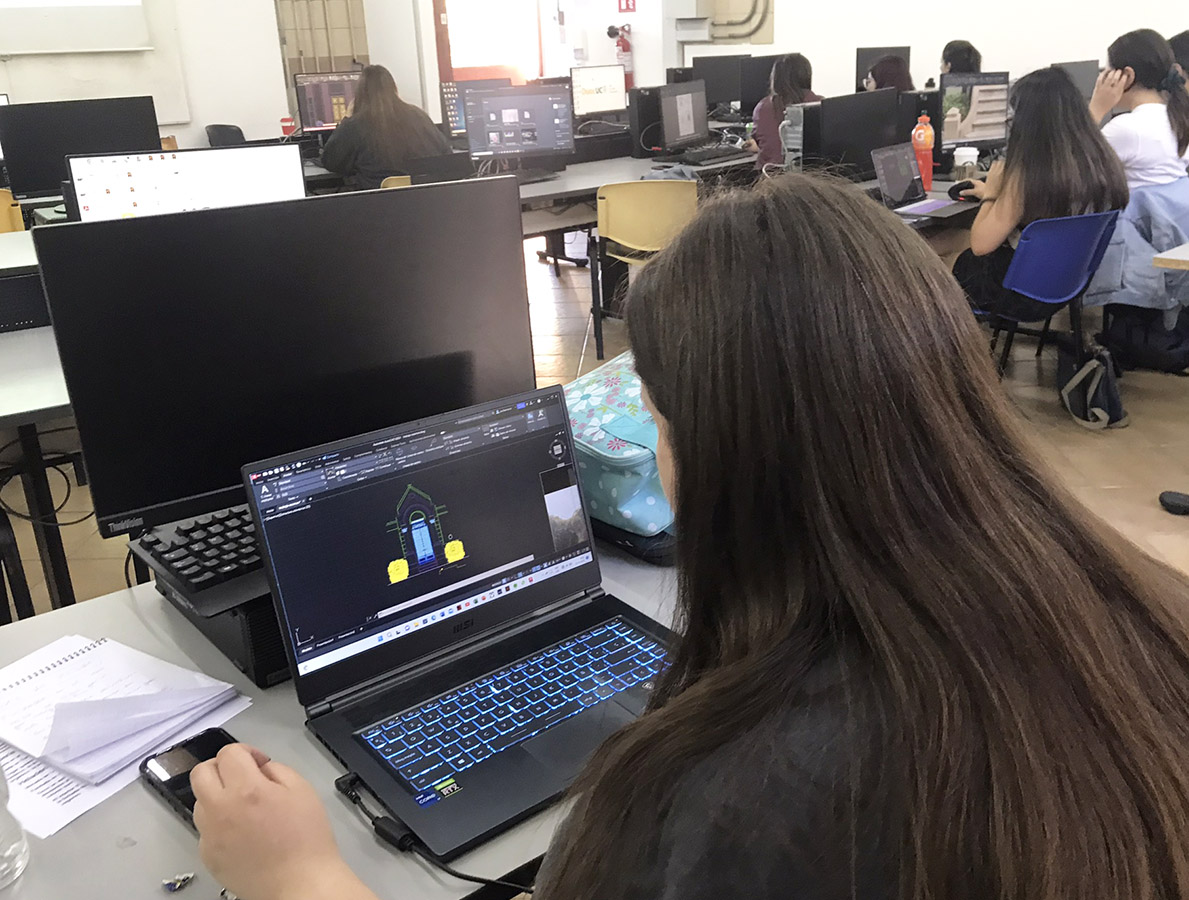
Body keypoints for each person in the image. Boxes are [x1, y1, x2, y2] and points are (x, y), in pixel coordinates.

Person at [190, 174, 1189, 900]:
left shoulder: (726, 798)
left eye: (657, 419)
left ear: (722, 450)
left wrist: (299, 879)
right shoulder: (1145, 609)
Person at [954, 67, 1129, 316]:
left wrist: (993, 193)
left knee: (941, 247)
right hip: (1066, 285)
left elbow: (981, 245)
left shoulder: (1028, 172)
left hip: (1017, 293)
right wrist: (1001, 197)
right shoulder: (1100, 160)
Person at [321, 64, 451, 190]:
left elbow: (331, 162)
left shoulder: (355, 125)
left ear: (360, 94)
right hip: (427, 202)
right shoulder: (419, 115)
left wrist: (346, 119)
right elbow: (446, 152)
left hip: (379, 205)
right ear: (394, 89)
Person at [1090, 29, 1189, 191]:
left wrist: (1096, 109)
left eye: (1108, 70)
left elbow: (1074, 167)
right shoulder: (1179, 118)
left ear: (1127, 75)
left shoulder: (1127, 128)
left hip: (1138, 216)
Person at [748, 53, 822, 168]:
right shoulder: (819, 105)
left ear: (775, 77)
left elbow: (765, 142)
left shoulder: (762, 107)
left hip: (768, 179)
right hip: (808, 178)